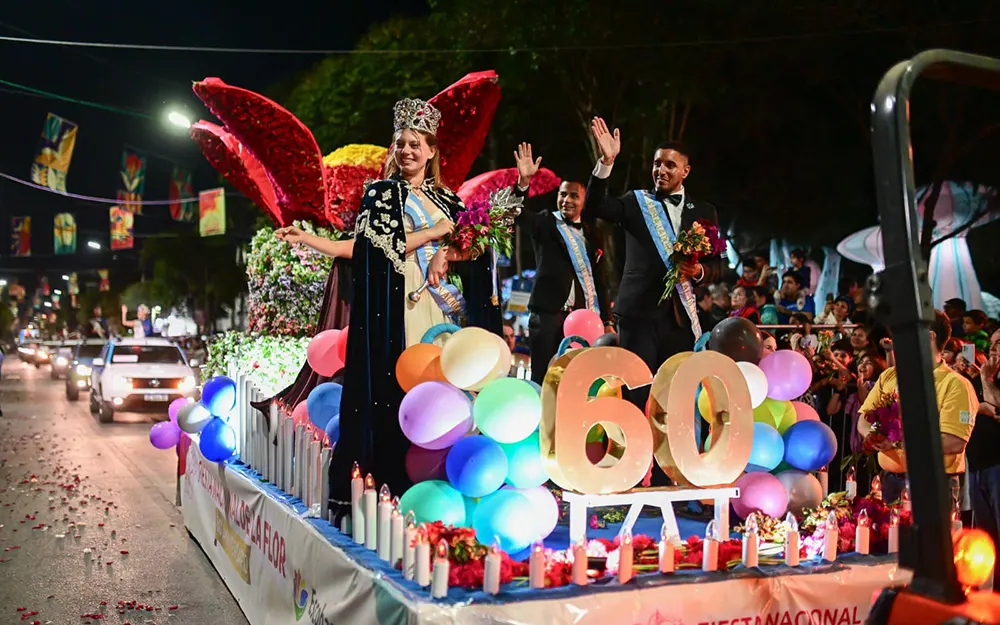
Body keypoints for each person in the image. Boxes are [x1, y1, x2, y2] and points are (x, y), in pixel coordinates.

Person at [326, 97, 539, 511]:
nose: (406, 151)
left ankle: (442, 474)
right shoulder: (381, 195)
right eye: (400, 143)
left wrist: (519, 189)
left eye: (415, 144)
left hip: (442, 306)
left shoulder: (447, 200)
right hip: (400, 302)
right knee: (407, 381)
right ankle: (396, 477)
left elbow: (481, 236)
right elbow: (375, 249)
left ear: (431, 151)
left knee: (443, 383)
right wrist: (432, 235)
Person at [585, 117, 722, 412]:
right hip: (638, 316)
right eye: (657, 163)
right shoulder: (636, 202)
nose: (661, 170)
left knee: (677, 397)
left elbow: (718, 265)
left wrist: (699, 271)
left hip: (680, 320)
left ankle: (670, 445)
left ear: (685, 171)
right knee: (636, 393)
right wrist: (606, 162)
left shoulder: (704, 211)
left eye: (670, 165)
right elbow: (595, 206)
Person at [858, 310, 978, 505]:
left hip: (932, 484)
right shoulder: (890, 375)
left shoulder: (955, 384)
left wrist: (895, 441)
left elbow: (953, 441)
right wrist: (874, 435)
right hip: (890, 480)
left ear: (929, 337)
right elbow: (864, 419)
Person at [517, 180, 611, 384]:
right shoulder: (545, 222)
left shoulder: (593, 234)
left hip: (582, 318)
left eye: (574, 196)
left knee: (578, 378)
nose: (567, 200)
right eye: (563, 194)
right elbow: (519, 214)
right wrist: (523, 183)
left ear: (584, 201)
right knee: (542, 376)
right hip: (548, 315)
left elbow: (600, 281)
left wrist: (607, 321)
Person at [971, 334, 1000, 545]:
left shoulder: (985, 378)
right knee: (984, 539)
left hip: (997, 466)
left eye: (999, 343)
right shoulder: (975, 380)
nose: (993, 348)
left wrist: (985, 378)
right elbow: (963, 412)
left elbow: (996, 403)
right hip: (976, 467)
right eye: (992, 344)